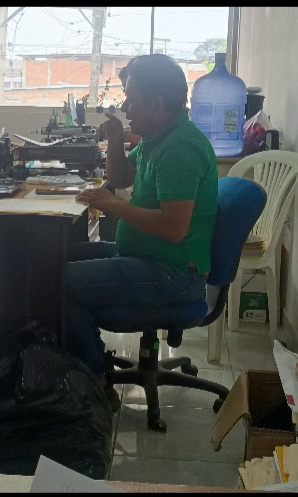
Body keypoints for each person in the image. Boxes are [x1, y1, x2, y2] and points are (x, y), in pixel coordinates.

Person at [70, 54, 219, 401]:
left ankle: (94, 383)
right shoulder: (158, 136)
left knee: (55, 284)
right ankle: (86, 366)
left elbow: (174, 228)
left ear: (158, 104)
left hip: (174, 274)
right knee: (53, 259)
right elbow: (121, 177)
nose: (126, 107)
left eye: (132, 99)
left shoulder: (180, 147)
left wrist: (115, 206)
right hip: (148, 258)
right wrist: (115, 139)